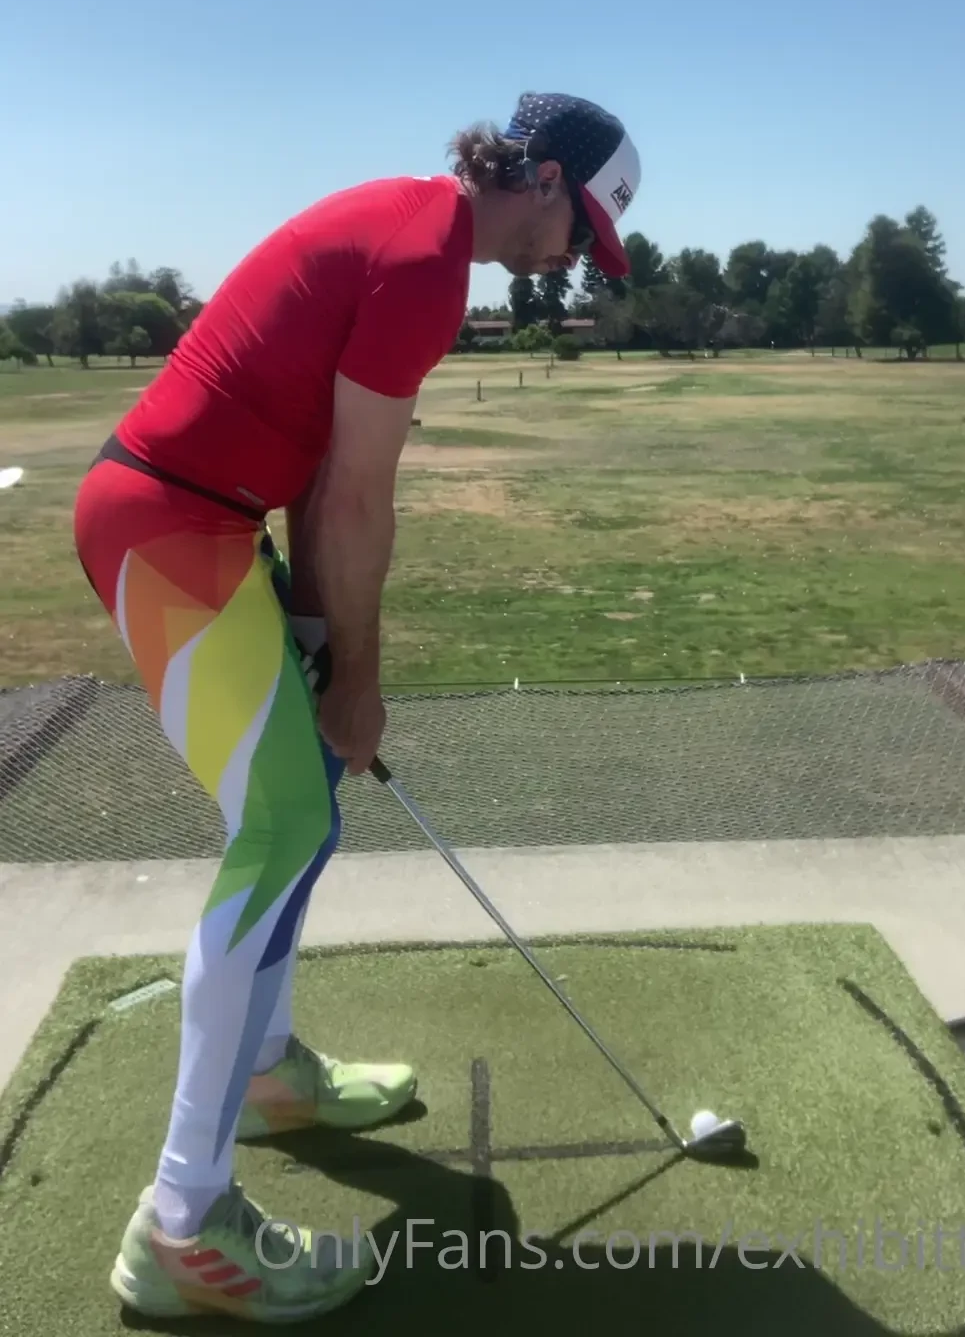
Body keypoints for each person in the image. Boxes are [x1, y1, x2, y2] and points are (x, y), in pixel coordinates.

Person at [73, 91, 640, 1321]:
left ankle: (268, 1078)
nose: (573, 257)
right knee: (283, 828)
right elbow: (357, 502)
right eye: (580, 231)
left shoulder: (419, 231)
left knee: (307, 804)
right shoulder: (428, 261)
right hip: (166, 526)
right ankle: (182, 1224)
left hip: (208, 525)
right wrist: (363, 684)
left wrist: (324, 642)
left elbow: (323, 468)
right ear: (543, 179)